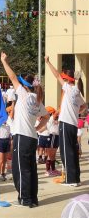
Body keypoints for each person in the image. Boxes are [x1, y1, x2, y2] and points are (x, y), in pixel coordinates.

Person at [1, 52, 49, 207]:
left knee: (20, 169)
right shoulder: (37, 99)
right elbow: (47, 116)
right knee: (30, 168)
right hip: (32, 137)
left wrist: (4, 61)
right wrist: (38, 127)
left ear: (24, 85)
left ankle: (26, 199)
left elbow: (13, 77)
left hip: (22, 136)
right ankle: (32, 199)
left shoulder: (23, 94)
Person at [45, 56, 87, 186]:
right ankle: (76, 178)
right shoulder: (77, 91)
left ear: (66, 79)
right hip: (73, 125)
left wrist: (48, 62)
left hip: (66, 123)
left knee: (66, 152)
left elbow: (56, 75)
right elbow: (84, 106)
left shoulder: (68, 88)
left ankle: (71, 180)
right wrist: (76, 112)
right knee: (72, 151)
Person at [46, 108, 61, 176]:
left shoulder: (56, 119)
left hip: (56, 136)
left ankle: (53, 169)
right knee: (50, 154)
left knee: (53, 155)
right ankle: (48, 170)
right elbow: (56, 113)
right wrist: (61, 106)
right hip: (52, 136)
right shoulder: (51, 118)